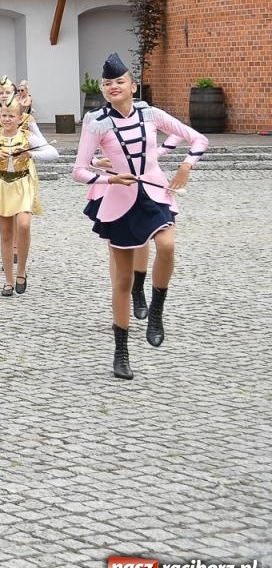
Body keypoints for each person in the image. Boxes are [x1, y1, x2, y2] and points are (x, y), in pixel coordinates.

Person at [72, 53, 206, 380]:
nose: (113, 87)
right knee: (122, 280)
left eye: (120, 82)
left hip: (156, 193)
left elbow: (198, 138)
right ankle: (121, 351)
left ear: (133, 86)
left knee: (168, 246)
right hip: (119, 200)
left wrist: (186, 166)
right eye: (107, 83)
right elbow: (78, 170)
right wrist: (109, 179)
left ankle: (156, 309)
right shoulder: (96, 122)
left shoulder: (150, 113)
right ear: (103, 89)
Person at [0, 89, 58, 297]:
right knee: (6, 233)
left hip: (22, 183)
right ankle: (8, 279)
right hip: (2, 185)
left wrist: (31, 154)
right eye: (4, 115)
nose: (7, 119)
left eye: (11, 116)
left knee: (24, 224)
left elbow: (53, 153)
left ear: (19, 118)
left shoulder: (26, 136)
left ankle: (22, 271)